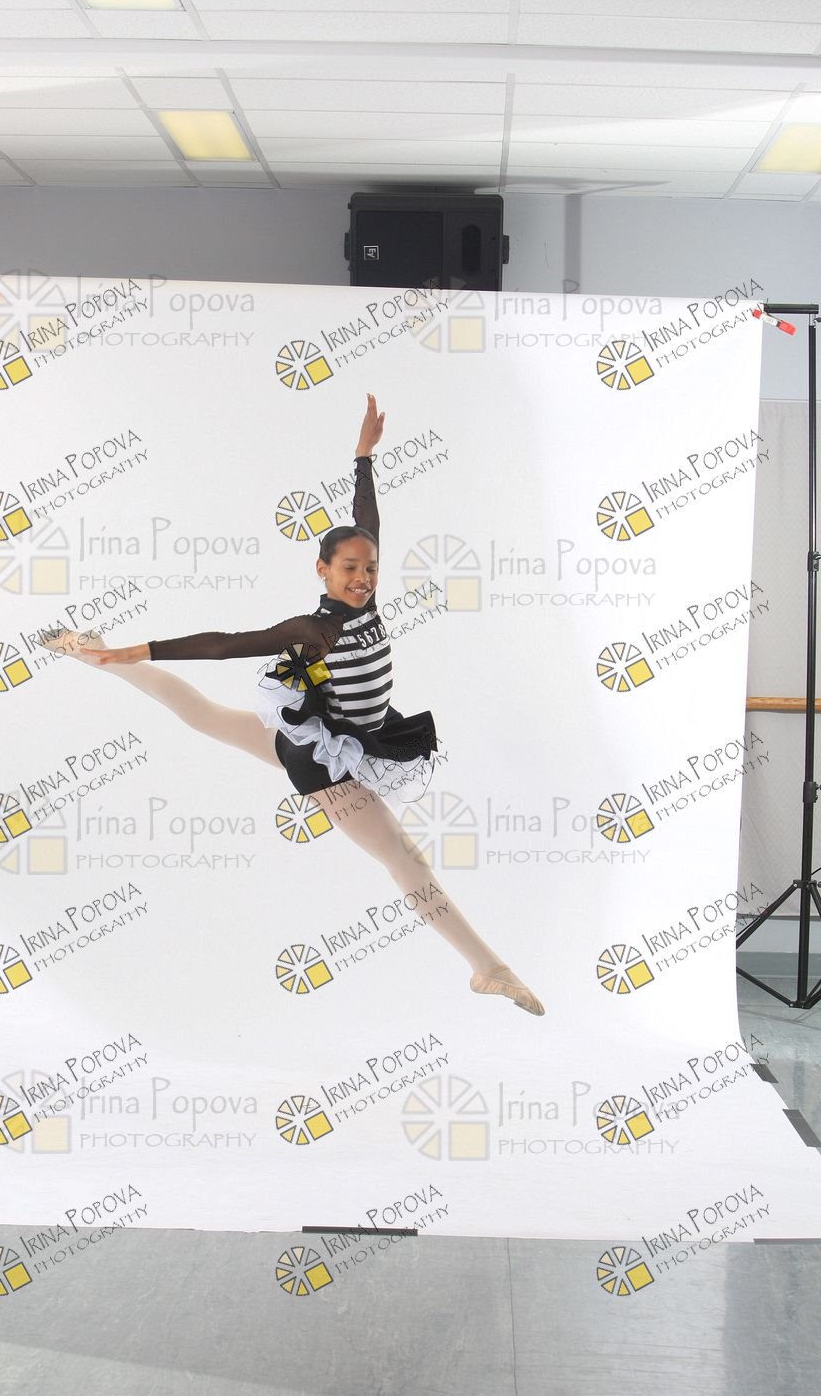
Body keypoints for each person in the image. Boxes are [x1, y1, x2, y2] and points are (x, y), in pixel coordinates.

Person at [55, 395, 544, 1016]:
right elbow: (227, 644)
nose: (362, 577)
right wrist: (143, 647)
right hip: (326, 758)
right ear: (322, 571)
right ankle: (488, 969)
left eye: (370, 568)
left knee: (204, 717)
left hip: (343, 731)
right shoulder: (313, 630)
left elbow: (366, 523)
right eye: (349, 568)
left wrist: (363, 458)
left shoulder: (366, 601)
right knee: (403, 857)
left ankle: (90, 653)